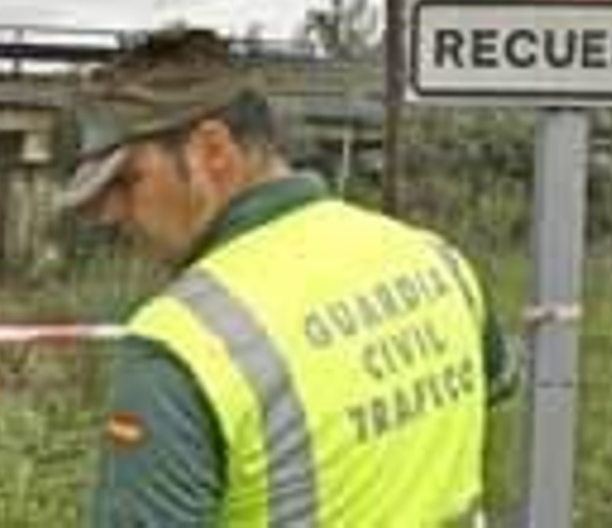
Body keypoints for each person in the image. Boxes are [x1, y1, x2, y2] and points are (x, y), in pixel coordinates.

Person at [57, 61, 518, 527]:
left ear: (212, 151)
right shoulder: (436, 260)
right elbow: (495, 387)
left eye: (127, 181)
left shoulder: (181, 347)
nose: (109, 213)